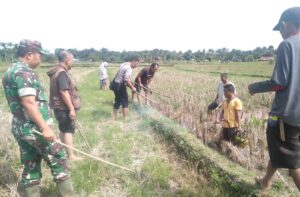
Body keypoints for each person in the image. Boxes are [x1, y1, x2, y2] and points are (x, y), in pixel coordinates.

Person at [2, 40, 75, 196]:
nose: (40, 59)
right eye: (39, 55)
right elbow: (29, 103)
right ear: (29, 55)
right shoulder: (24, 72)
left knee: (30, 163)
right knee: (59, 159)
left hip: (20, 126)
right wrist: (45, 128)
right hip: (35, 128)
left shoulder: (10, 71)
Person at [249, 7, 300, 192]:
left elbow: (279, 83)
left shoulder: (286, 45)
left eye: (280, 28)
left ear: (286, 24)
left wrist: (254, 88)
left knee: (293, 162)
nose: (280, 32)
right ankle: (266, 182)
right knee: (279, 147)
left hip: (285, 115)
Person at [47, 50, 81, 160]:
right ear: (67, 60)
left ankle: (62, 151)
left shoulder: (57, 71)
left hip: (58, 106)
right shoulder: (61, 72)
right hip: (63, 107)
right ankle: (71, 156)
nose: (72, 63)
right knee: (68, 130)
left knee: (63, 129)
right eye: (72, 60)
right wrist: (71, 108)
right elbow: (64, 92)